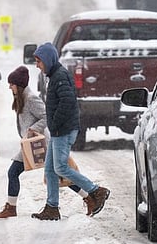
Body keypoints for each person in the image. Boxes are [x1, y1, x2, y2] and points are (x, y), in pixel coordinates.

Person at [0, 66, 93, 220]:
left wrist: (33, 128)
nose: (9, 87)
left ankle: (11, 208)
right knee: (57, 173)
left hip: (40, 143)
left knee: (19, 172)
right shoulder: (21, 99)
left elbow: (46, 116)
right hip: (30, 143)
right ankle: (87, 197)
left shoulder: (31, 99)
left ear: (18, 85)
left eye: (11, 84)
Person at [31, 42, 110, 221]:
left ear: (48, 60)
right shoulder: (55, 75)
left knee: (60, 167)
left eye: (39, 61)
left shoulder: (59, 76)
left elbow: (67, 103)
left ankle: (96, 191)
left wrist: (56, 124)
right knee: (50, 170)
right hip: (59, 129)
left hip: (63, 130)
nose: (37, 65)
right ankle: (52, 207)